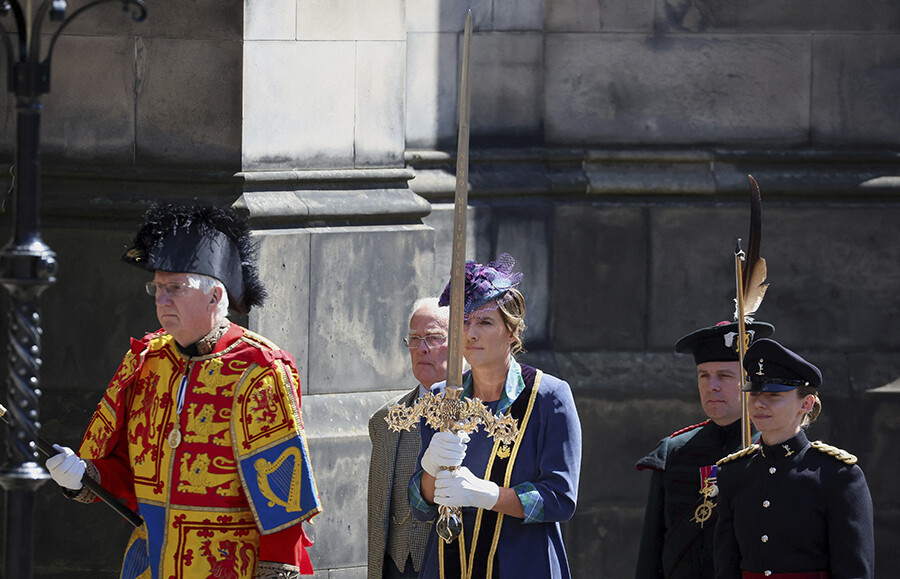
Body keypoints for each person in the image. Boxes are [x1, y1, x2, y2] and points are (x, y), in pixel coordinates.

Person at [45, 204, 322, 579]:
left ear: (215, 296)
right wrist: (84, 473)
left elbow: (282, 499)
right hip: (149, 563)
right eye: (157, 288)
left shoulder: (260, 370)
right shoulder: (145, 360)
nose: (161, 300)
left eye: (175, 288)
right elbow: (126, 470)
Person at [408, 253, 582, 578]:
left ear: (512, 333)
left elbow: (560, 498)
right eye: (464, 322)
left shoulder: (548, 397)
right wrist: (431, 469)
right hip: (448, 565)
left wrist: (487, 495)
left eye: (485, 323)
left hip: (521, 565)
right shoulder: (441, 397)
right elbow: (421, 506)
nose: (470, 334)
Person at [714, 338, 874, 578]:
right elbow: (726, 566)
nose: (759, 403)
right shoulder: (734, 473)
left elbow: (854, 570)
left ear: (806, 403)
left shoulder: (837, 475)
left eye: (773, 395)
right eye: (753, 393)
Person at [635, 320, 775, 579]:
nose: (712, 386)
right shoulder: (674, 451)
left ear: (750, 381)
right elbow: (651, 552)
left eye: (724, 376)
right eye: (704, 375)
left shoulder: (774, 449)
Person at [367, 297, 449, 579]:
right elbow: (378, 518)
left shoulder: (483, 412)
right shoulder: (384, 420)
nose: (422, 349)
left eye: (433, 338)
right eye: (414, 339)